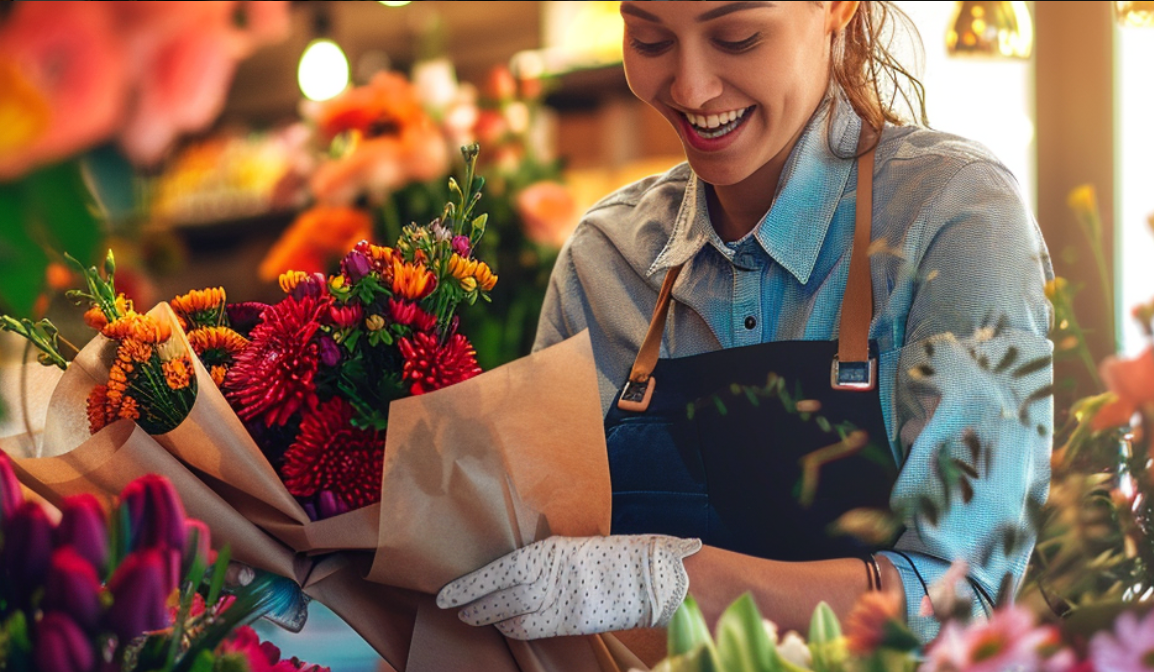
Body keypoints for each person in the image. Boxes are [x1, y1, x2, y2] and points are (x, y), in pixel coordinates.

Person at [436, 0, 1054, 652]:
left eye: (737, 37)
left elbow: (964, 604)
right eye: (649, 40)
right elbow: (523, 570)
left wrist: (676, 584)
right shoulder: (605, 260)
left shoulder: (954, 218)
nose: (691, 88)